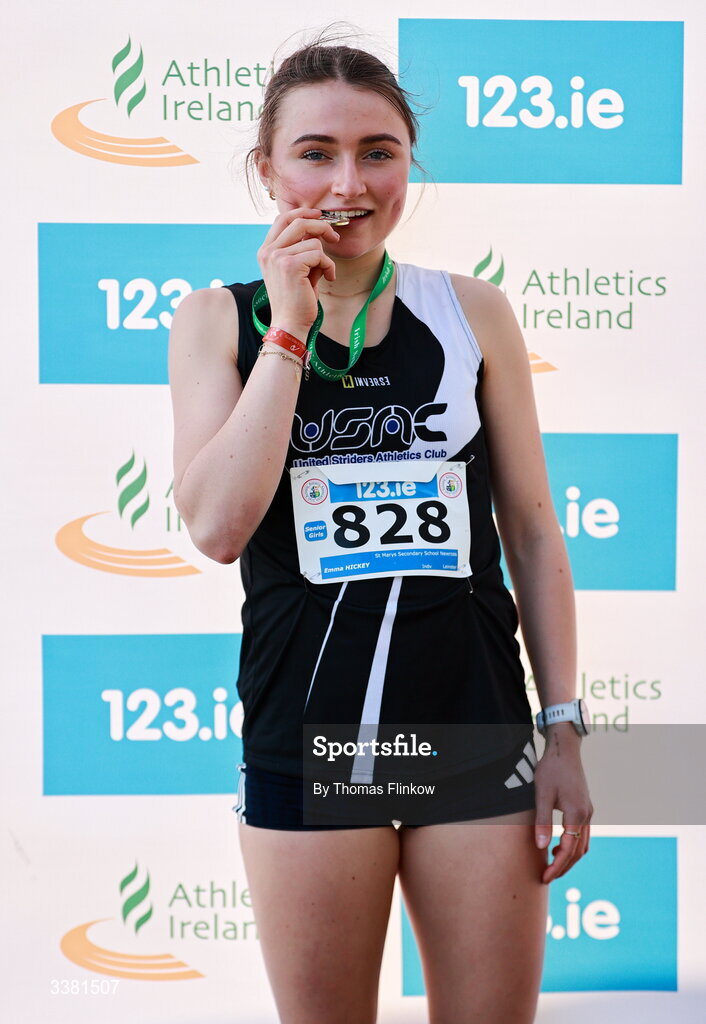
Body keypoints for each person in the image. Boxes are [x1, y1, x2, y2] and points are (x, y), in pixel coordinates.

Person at [168, 29, 593, 1024]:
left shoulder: (471, 312)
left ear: (410, 161)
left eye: (378, 151)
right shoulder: (215, 322)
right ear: (265, 168)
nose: (346, 182)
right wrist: (288, 325)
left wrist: (563, 730)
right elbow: (219, 524)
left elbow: (530, 532)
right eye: (314, 153)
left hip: (473, 731)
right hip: (307, 739)